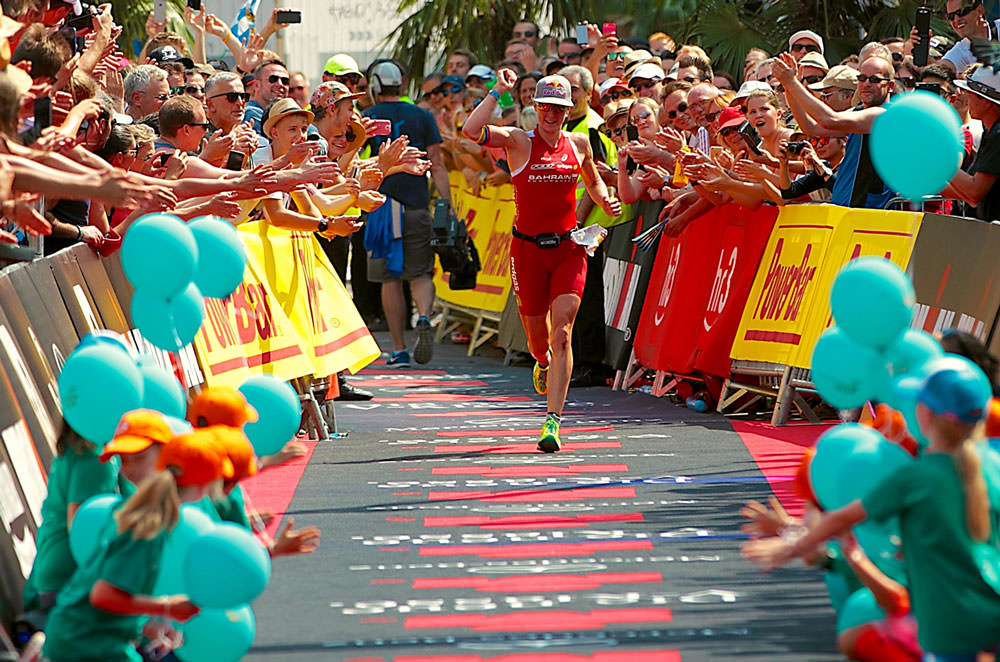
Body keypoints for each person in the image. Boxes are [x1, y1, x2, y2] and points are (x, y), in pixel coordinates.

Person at [743, 359, 1000, 660]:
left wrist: (790, 546)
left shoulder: (916, 477)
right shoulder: (991, 466)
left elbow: (845, 517)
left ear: (927, 415)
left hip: (948, 623)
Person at [462, 71, 622, 452]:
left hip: (568, 249)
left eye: (559, 108)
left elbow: (594, 180)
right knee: (538, 339)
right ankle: (542, 361)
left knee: (563, 331)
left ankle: (552, 421)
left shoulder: (580, 143)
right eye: (545, 106)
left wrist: (603, 200)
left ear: (569, 110)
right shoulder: (518, 140)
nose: (551, 114)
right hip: (528, 252)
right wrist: (498, 92)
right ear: (536, 107)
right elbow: (471, 130)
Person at [40, 430, 232, 662]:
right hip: (84, 642)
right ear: (205, 486)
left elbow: (115, 588)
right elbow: (103, 595)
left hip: (80, 635)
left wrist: (147, 623)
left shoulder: (145, 519)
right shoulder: (148, 529)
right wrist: (166, 608)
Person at [363, 60, 451, 367]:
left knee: (390, 279)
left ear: (375, 85)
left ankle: (399, 348)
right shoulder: (423, 115)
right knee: (421, 272)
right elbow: (437, 164)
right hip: (416, 206)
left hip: (381, 208)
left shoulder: (367, 118)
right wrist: (446, 204)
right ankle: (424, 316)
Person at [774, 52, 894, 208]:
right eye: (862, 78)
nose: (866, 84)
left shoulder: (885, 115)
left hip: (869, 212)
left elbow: (829, 120)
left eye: (875, 80)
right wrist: (788, 85)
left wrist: (791, 82)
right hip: (848, 209)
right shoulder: (859, 111)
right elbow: (810, 127)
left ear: (890, 86)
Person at [944, 66, 1000, 220]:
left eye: (972, 94)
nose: (967, 100)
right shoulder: (991, 131)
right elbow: (970, 194)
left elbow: (974, 193)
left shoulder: (997, 134)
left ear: (987, 101)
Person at [940, 0, 1000, 74]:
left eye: (961, 12)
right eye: (951, 17)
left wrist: (985, 69)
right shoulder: (961, 49)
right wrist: (927, 58)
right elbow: (940, 70)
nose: (956, 20)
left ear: (979, 10)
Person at [244, 59, 290, 135]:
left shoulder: (285, 115)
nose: (280, 84)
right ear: (256, 85)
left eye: (285, 81)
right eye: (273, 79)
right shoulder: (250, 113)